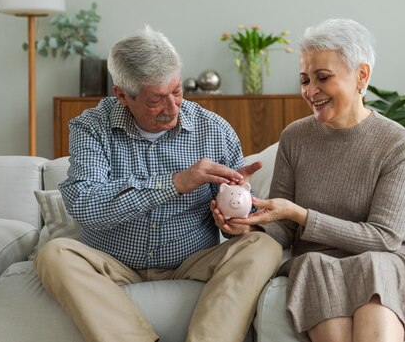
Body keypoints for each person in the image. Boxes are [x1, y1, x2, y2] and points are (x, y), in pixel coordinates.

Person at [34, 26, 282, 342]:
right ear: (122, 95)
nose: (173, 107)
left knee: (264, 246)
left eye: (176, 91)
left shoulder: (214, 130)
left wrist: (238, 222)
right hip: (113, 261)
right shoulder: (91, 128)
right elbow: (87, 204)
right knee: (54, 253)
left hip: (191, 260)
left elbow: (240, 209)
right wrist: (176, 182)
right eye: (156, 99)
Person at [229, 19, 405, 342]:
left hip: (390, 258)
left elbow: (384, 238)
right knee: (313, 265)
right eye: (305, 79)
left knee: (375, 268)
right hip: (321, 261)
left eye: (323, 78)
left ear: (362, 76)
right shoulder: (295, 137)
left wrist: (302, 215)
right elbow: (283, 227)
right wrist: (249, 224)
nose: (310, 91)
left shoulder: (398, 143)